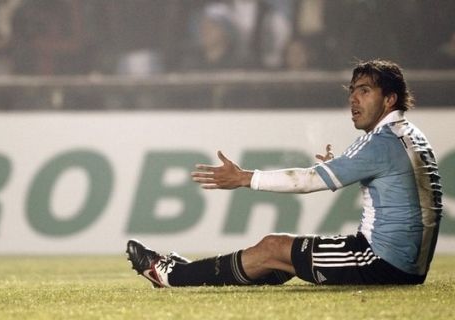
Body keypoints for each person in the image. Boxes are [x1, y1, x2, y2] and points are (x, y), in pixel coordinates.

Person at [126, 59, 443, 287]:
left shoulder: (381, 142)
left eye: (364, 91)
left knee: (274, 248)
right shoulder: (409, 134)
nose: (352, 98)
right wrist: (339, 165)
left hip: (381, 263)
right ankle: (192, 273)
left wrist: (245, 177)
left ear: (389, 99)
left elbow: (307, 181)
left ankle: (170, 275)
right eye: (352, 91)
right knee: (281, 262)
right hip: (406, 264)